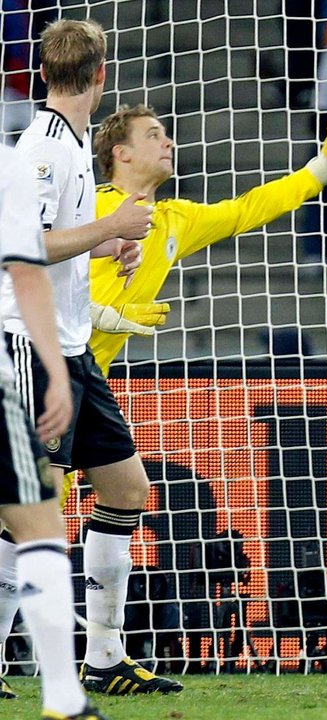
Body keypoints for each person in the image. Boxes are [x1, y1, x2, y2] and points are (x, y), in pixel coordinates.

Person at [0, 18, 173, 697]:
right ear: (102, 75)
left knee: (126, 490)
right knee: (30, 513)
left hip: (72, 351)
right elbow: (23, 247)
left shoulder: (69, 143)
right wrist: (114, 225)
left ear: (42, 72)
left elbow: (54, 237)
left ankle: (104, 657)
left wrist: (102, 245)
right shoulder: (41, 149)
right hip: (29, 347)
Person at [87, 103, 327, 376]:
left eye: (166, 134)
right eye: (153, 135)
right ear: (121, 152)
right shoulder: (88, 206)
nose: (169, 142)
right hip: (50, 362)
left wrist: (322, 170)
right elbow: (42, 267)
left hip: (91, 373)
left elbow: (248, 209)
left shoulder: (175, 219)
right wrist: (98, 315)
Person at [0, 145, 105, 719]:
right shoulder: (11, 166)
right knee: (38, 521)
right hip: (6, 360)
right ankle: (64, 698)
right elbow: (26, 269)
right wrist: (55, 371)